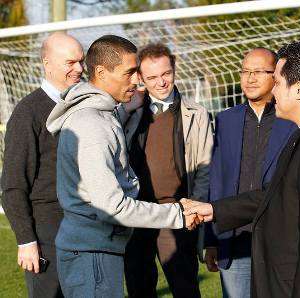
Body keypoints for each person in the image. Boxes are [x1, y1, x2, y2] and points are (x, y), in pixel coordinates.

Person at [183, 41, 300, 298]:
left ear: (298, 89)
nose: (275, 92)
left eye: (278, 84)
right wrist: (214, 209)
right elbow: (275, 194)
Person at [45, 35, 198, 298]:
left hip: (97, 250)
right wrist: (178, 215)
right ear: (102, 72)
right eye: (129, 73)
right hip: (92, 256)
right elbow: (112, 207)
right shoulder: (92, 125)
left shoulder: (104, 115)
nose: (136, 80)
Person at [203, 47, 296, 297]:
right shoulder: (226, 120)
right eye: (245, 71)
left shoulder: (292, 118)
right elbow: (217, 181)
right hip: (235, 241)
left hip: (280, 241)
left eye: (258, 71)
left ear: (276, 75)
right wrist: (211, 240)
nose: (250, 78)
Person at [122, 43, 213, 298]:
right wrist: (126, 110)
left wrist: (194, 208)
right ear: (140, 78)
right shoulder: (128, 111)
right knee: (139, 288)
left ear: (174, 69)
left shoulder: (197, 114)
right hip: (136, 212)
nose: (161, 82)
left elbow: (204, 167)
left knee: (185, 288)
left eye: (166, 74)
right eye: (151, 77)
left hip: (178, 213)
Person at [1, 32, 84, 298]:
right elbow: (13, 185)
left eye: (81, 61)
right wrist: (26, 240)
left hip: (85, 225)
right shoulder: (28, 112)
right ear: (47, 63)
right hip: (48, 232)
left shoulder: (84, 105)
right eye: (70, 63)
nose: (79, 68)